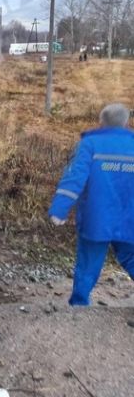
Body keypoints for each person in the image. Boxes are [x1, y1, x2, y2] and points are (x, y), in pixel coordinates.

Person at [48, 103, 134, 305]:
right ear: (126, 122)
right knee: (131, 258)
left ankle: (79, 306)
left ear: (101, 121)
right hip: (129, 218)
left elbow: (75, 178)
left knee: (88, 264)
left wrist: (59, 209)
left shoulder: (90, 144)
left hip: (97, 218)